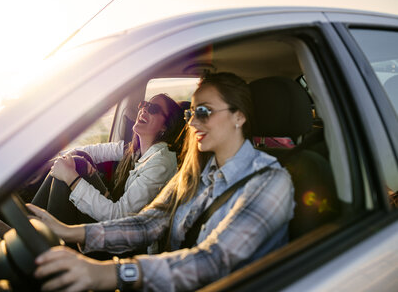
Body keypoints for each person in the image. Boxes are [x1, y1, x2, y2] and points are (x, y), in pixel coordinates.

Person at [27, 72, 295, 292]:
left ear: (239, 117)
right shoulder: (195, 173)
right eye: (192, 113)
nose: (194, 123)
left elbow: (213, 261)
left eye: (206, 111)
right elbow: (149, 223)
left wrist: (109, 273)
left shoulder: (271, 182)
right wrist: (68, 232)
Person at [31, 93, 186, 225]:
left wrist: (72, 179)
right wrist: (52, 163)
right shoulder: (135, 150)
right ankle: (30, 224)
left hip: (123, 240)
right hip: (113, 223)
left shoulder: (161, 163)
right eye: (144, 104)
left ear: (165, 126)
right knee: (77, 159)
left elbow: (120, 217)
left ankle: (30, 227)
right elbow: (93, 151)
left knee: (75, 165)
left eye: (153, 109)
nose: (144, 109)